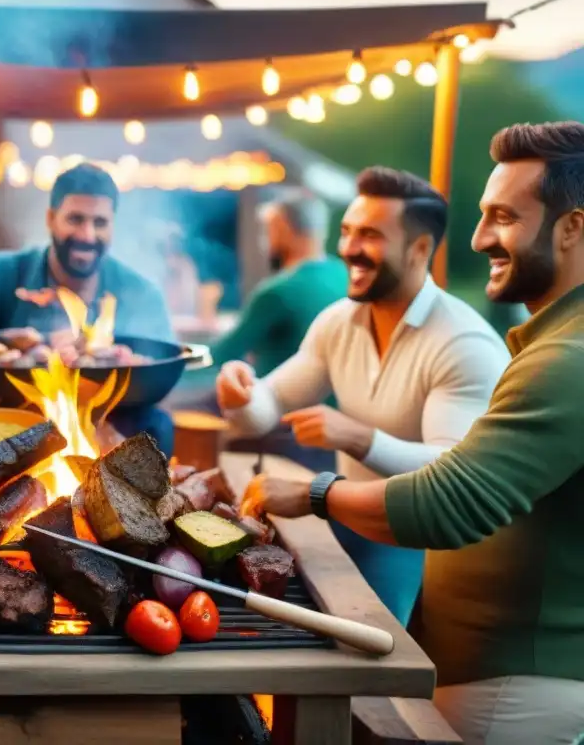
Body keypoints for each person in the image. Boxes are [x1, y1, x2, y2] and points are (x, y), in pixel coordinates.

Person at [240, 121, 584, 745]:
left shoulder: (568, 361)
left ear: (572, 228)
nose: (479, 239)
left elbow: (445, 503)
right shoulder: (557, 347)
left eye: (504, 217)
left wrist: (315, 492)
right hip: (481, 667)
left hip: (514, 686)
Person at [217, 167, 509, 625]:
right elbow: (266, 408)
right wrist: (239, 392)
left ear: (419, 249)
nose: (349, 248)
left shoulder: (463, 344)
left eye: (369, 235)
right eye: (348, 231)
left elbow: (454, 473)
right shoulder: (340, 321)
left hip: (431, 548)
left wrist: (359, 438)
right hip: (350, 517)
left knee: (362, 648)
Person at [0, 163, 177, 453]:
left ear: (112, 225)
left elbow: (161, 378)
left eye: (100, 222)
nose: (87, 235)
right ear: (51, 218)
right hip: (8, 420)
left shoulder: (139, 292)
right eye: (75, 219)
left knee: (158, 425)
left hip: (102, 423)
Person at [176, 191, 348, 472]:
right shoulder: (344, 275)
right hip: (335, 426)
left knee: (180, 407)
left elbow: (222, 353)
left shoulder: (280, 290)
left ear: (282, 229)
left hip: (283, 425)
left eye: (268, 230)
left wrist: (167, 363)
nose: (265, 240)